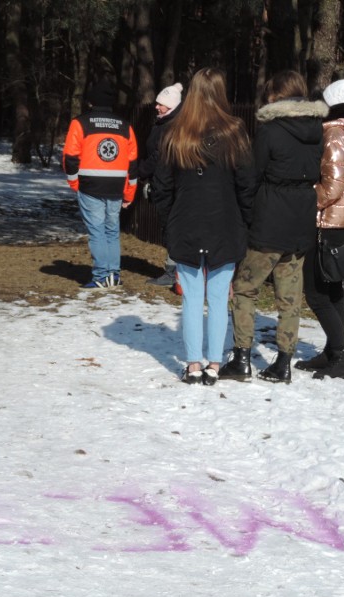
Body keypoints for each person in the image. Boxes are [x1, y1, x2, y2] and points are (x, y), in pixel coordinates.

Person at [219, 71, 328, 384]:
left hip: (269, 220)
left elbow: (254, 174)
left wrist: (248, 213)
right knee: (290, 296)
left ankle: (241, 357)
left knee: (244, 288)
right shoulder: (317, 130)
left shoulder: (270, 130)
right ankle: (284, 362)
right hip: (300, 219)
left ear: (276, 97)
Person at [151, 67, 257, 385]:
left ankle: (194, 364)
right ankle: (213, 363)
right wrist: (245, 222)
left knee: (193, 298)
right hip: (224, 224)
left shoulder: (176, 131)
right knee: (218, 295)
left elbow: (161, 187)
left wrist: (170, 220)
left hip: (187, 223)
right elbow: (247, 185)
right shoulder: (235, 131)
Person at [296, 73, 344, 381]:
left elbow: (331, 186)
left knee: (317, 293)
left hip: (328, 224)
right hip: (343, 222)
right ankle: (333, 352)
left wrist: (303, 199)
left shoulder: (334, 135)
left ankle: (341, 356)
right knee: (333, 291)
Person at [63, 78, 138, 289]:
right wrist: (129, 193)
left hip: (90, 186)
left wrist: (74, 182)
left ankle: (100, 276)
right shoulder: (125, 126)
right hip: (116, 188)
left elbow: (70, 156)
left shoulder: (80, 123)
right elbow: (133, 164)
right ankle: (113, 274)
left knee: (97, 231)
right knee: (112, 231)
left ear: (91, 102)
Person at [139, 82, 184, 290]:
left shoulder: (170, 126)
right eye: (157, 103)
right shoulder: (166, 122)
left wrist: (142, 171)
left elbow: (158, 155)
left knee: (172, 229)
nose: (157, 107)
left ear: (172, 106)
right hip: (166, 182)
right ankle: (175, 270)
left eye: (162, 104)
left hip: (169, 184)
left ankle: (173, 272)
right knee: (171, 228)